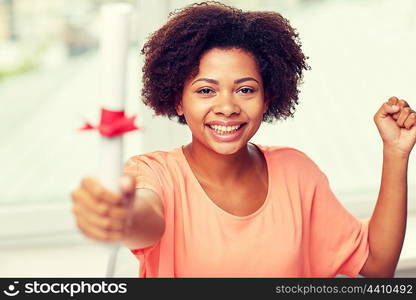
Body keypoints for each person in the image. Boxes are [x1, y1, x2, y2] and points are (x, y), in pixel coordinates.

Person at [71, 2, 416, 277]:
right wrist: (121, 218)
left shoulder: (296, 172)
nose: (227, 107)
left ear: (267, 98)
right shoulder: (155, 174)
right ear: (178, 99)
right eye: (206, 90)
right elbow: (143, 219)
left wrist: (396, 153)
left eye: (245, 89)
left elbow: (376, 263)